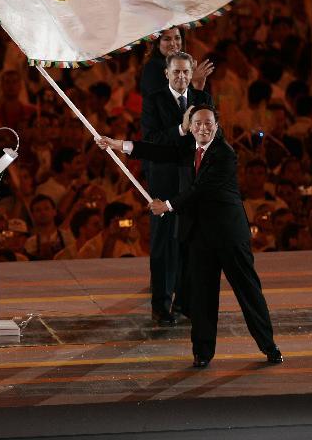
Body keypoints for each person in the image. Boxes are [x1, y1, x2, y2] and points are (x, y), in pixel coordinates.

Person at [96, 104, 282, 367]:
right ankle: (202, 353)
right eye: (197, 123)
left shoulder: (224, 154)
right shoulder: (187, 148)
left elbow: (200, 189)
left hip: (228, 235)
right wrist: (118, 144)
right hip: (198, 235)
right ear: (190, 126)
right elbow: (158, 152)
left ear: (216, 126)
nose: (203, 128)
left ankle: (269, 346)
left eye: (208, 123)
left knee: (247, 290)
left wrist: (167, 206)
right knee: (202, 296)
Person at [141, 51, 214, 325]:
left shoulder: (201, 99)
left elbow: (213, 134)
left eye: (186, 72)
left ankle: (185, 301)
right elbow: (150, 139)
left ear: (192, 71)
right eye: (176, 72)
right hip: (163, 181)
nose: (181, 77)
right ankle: (160, 305)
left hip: (192, 182)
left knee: (189, 242)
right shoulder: (154, 100)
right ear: (167, 74)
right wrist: (181, 130)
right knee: (163, 244)